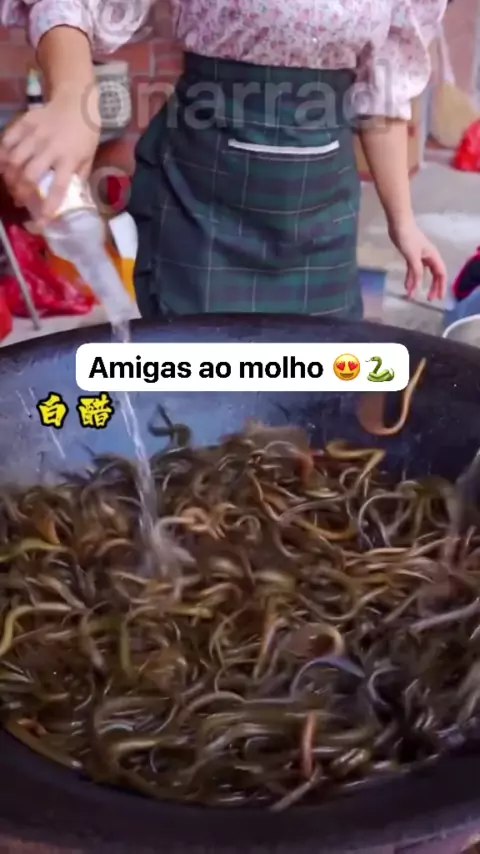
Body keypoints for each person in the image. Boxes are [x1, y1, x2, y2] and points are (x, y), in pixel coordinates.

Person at [0, 1, 447, 318]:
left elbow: (383, 92)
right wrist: (72, 96)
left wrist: (403, 221)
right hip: (205, 197)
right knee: (198, 387)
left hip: (320, 211)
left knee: (319, 388)